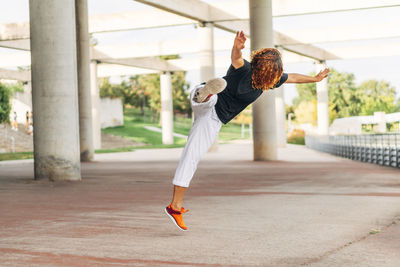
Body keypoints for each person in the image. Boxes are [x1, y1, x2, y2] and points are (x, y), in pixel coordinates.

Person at [165, 31, 330, 231]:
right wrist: (236, 47)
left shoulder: (270, 81)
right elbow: (235, 58)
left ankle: (203, 94)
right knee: (194, 145)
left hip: (211, 115)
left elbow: (293, 77)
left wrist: (315, 79)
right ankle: (204, 94)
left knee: (193, 151)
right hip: (213, 109)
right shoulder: (244, 69)